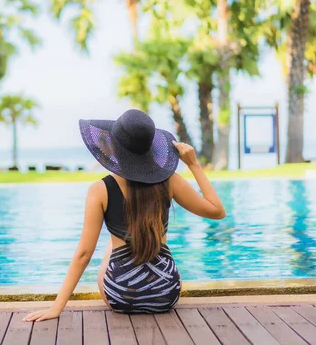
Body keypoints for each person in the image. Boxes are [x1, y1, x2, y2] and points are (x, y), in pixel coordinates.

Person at [24, 109, 225, 321]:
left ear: (113, 147)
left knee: (112, 246)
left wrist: (56, 308)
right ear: (150, 149)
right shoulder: (170, 181)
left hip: (121, 296)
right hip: (166, 294)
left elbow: (84, 254)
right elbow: (217, 211)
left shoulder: (99, 189)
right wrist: (193, 165)